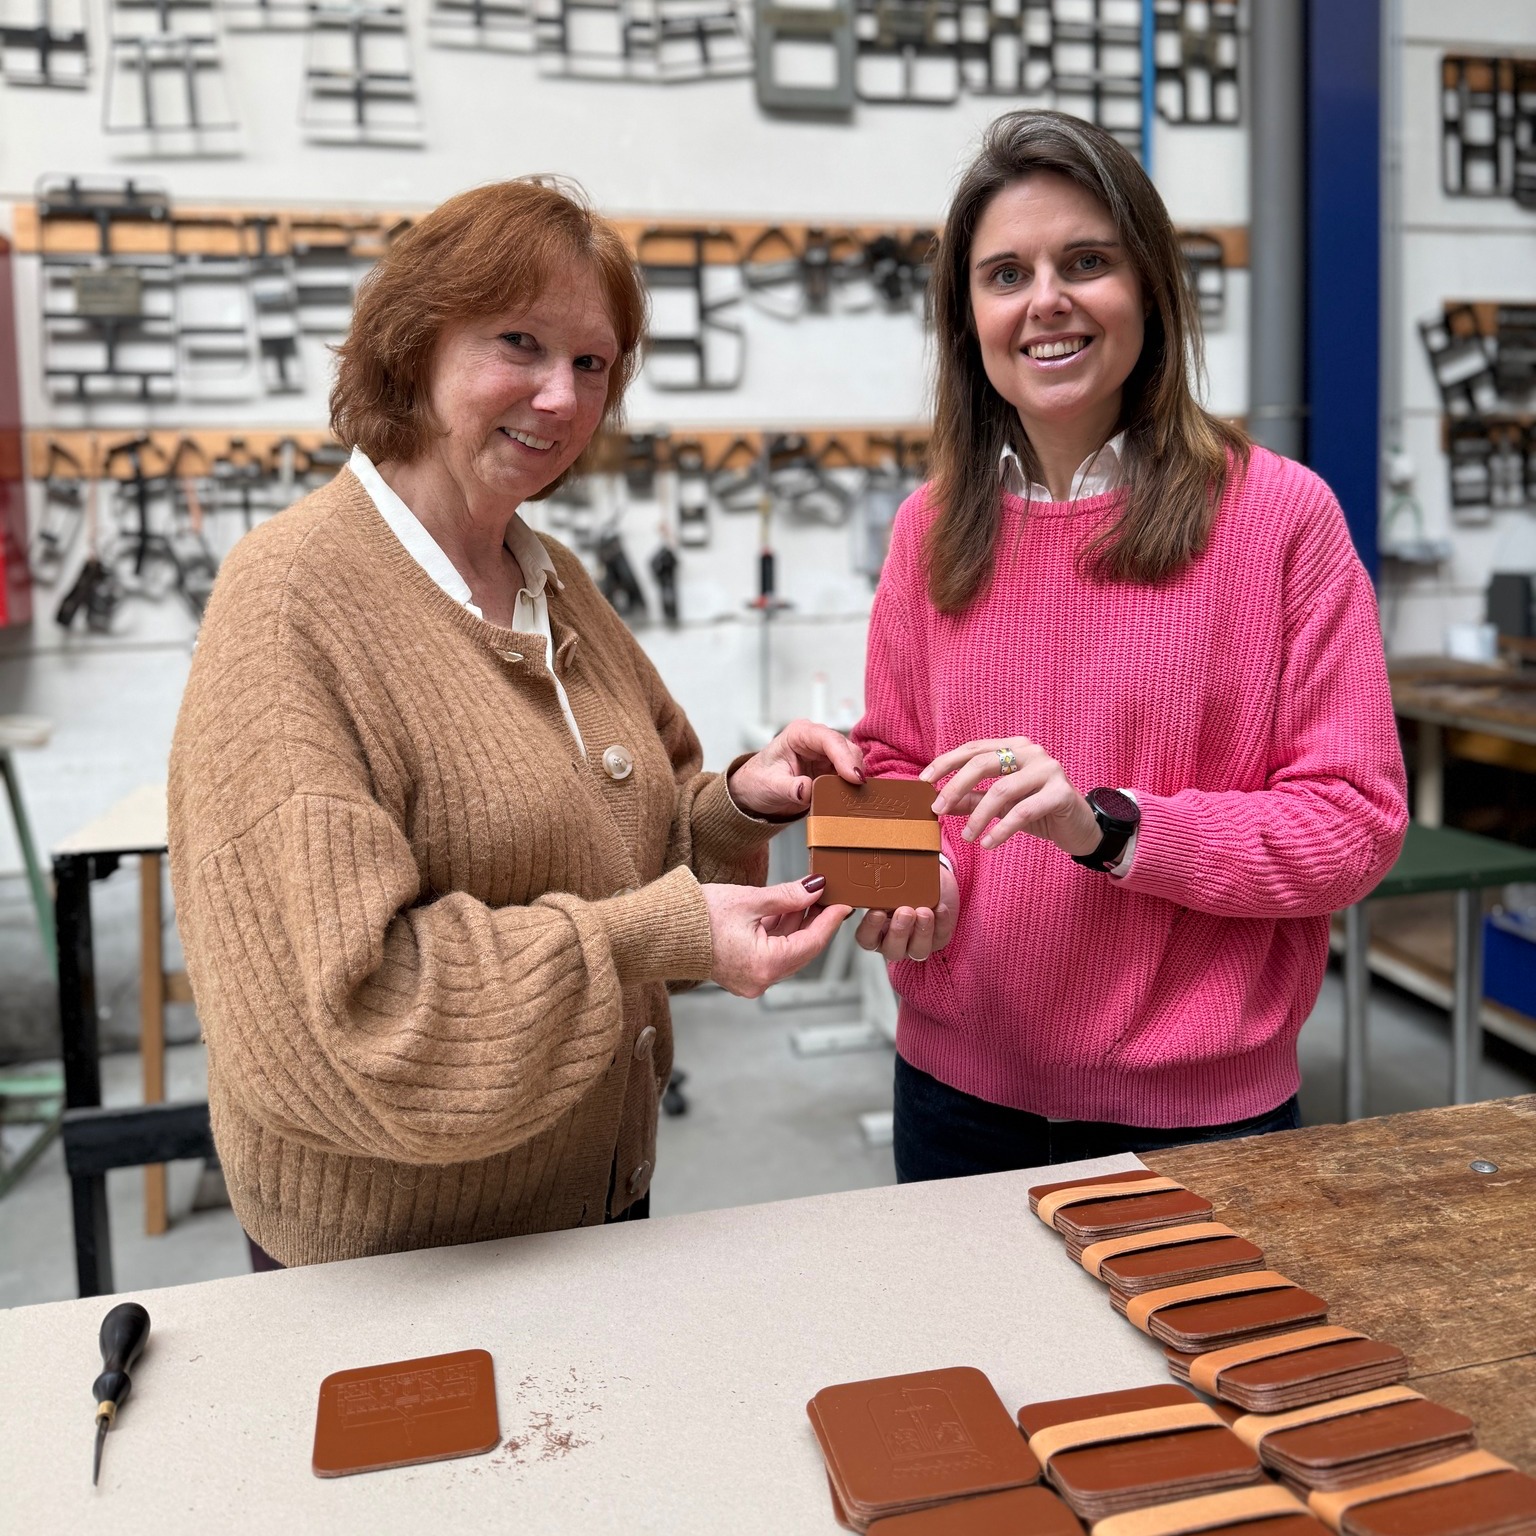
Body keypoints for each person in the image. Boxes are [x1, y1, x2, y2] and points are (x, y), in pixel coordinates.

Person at [168, 179, 858, 1268]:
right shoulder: (292, 601)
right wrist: (648, 936)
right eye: (520, 344)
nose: (560, 397)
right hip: (401, 1266)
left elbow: (635, 859)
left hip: (593, 1213)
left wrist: (736, 804)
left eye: (592, 364)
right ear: (413, 345)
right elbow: (349, 1018)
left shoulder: (552, 578)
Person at [852, 111, 1408, 1179]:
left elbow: (1353, 825)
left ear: (1150, 287)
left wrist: (1107, 829)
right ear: (967, 317)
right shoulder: (930, 527)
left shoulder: (1281, 518)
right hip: (953, 1098)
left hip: (1201, 1121)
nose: (1045, 300)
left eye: (1086, 262)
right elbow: (890, 763)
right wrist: (916, 876)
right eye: (1005, 274)